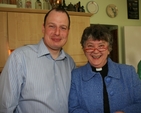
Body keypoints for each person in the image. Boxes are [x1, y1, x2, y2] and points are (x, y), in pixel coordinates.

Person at [0, 7, 76, 113]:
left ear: (68, 32)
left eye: (63, 28)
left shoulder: (70, 63)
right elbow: (5, 107)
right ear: (43, 28)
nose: (57, 33)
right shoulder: (19, 58)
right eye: (52, 26)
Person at [68, 24, 141, 113]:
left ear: (109, 49)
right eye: (90, 46)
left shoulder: (129, 72)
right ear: (84, 49)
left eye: (101, 45)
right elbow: (73, 108)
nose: (95, 51)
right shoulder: (76, 76)